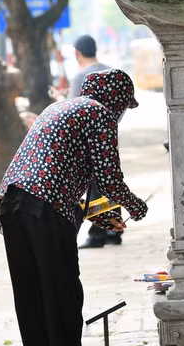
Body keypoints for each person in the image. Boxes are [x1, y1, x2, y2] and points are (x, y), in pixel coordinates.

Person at [0, 69, 148, 346]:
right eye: (124, 105)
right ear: (116, 98)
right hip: (46, 210)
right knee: (61, 294)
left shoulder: (59, 107)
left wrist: (98, 216)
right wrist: (136, 206)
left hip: (11, 206)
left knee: (31, 295)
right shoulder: (99, 112)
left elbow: (62, 173)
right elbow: (110, 179)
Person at [66, 35, 117, 249]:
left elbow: (70, 108)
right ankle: (114, 231)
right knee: (111, 182)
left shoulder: (80, 77)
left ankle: (97, 235)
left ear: (78, 53)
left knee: (94, 188)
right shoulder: (110, 71)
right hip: (109, 137)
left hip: (86, 141)